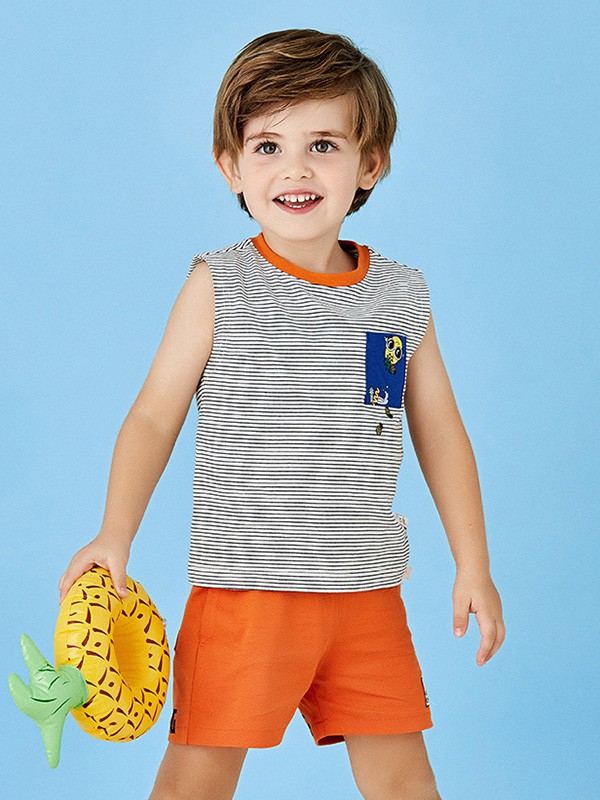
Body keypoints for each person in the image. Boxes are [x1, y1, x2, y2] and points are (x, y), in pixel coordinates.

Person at [57, 28, 505, 800]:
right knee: (196, 781)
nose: (295, 169)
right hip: (245, 598)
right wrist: (113, 533)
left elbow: (440, 431)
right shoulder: (219, 285)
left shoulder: (400, 296)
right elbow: (155, 417)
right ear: (230, 166)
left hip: (366, 596)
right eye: (267, 146)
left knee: (406, 781)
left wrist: (474, 563)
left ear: (371, 163)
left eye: (323, 144)